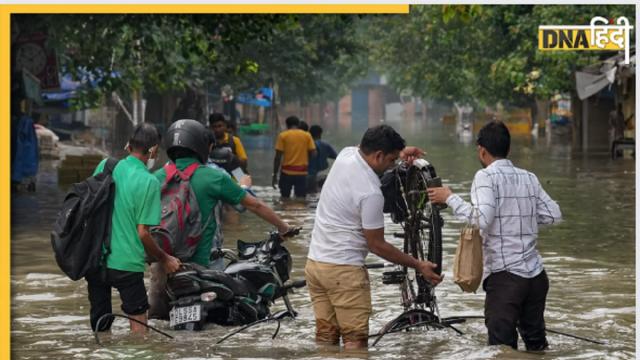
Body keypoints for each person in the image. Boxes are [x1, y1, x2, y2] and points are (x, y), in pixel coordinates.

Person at [304, 124, 443, 349]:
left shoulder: (346, 155)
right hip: (344, 272)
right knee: (355, 342)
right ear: (378, 155)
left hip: (316, 265)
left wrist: (401, 152)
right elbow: (376, 245)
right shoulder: (370, 192)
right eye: (391, 161)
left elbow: (367, 148)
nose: (393, 166)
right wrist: (418, 264)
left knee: (326, 337)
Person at [428, 121, 562, 351]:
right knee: (537, 345)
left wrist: (449, 197)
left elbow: (481, 219)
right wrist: (520, 218)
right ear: (508, 149)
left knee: (501, 350)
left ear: (481, 150)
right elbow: (554, 215)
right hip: (536, 278)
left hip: (506, 279)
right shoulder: (529, 177)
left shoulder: (485, 176)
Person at [149, 119, 292, 318]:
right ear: (202, 146)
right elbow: (252, 205)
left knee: (155, 322)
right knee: (222, 315)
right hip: (202, 264)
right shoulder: (214, 176)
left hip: (163, 261)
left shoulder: (156, 177)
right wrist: (284, 227)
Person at [87, 123, 181, 333]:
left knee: (100, 327)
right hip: (126, 264)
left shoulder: (105, 166)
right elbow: (143, 233)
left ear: (129, 145)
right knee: (139, 331)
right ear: (154, 150)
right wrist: (164, 258)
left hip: (95, 259)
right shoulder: (149, 182)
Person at [272, 116, 317, 198]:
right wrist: (306, 161)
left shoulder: (283, 136)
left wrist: (275, 174)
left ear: (287, 125)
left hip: (286, 173)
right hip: (302, 173)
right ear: (298, 124)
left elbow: (277, 157)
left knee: (284, 198)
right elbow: (314, 153)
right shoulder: (307, 135)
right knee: (301, 199)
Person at [307, 125, 337, 193]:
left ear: (309, 133)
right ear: (320, 133)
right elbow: (336, 157)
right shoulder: (325, 145)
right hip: (322, 175)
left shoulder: (308, 144)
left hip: (309, 175)